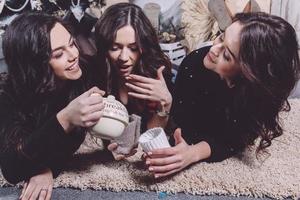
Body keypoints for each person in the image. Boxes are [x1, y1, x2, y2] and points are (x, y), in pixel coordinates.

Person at [144, 12, 300, 178]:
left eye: (227, 55)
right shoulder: (195, 63)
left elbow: (235, 139)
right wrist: (166, 106)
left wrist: (193, 154)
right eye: (221, 37)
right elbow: (185, 126)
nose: (213, 49)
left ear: (247, 73)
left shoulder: (256, 95)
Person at [0, 12, 106, 200]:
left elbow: (72, 142)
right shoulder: (7, 94)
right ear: (35, 64)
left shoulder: (84, 72)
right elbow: (11, 168)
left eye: (72, 43)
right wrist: (65, 119)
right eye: (58, 54)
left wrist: (48, 167)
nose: (74, 55)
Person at [93, 3, 173, 133]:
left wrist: (165, 105)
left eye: (133, 48)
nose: (124, 57)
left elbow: (151, 136)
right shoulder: (94, 72)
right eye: (115, 48)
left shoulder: (157, 73)